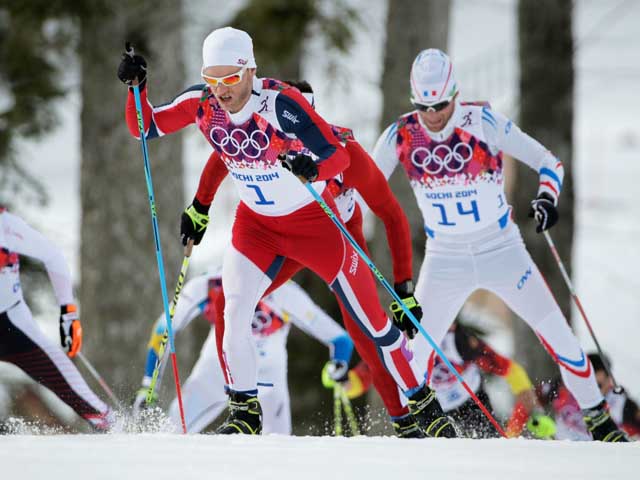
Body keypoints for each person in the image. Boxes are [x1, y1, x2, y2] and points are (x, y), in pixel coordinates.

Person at [118, 27, 453, 436]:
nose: (220, 90)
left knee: (374, 326)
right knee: (232, 309)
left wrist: (314, 168)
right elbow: (149, 129)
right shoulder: (205, 105)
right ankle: (244, 412)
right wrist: (138, 88)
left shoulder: (282, 106)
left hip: (316, 225)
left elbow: (338, 154)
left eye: (230, 79)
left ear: (250, 71)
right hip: (256, 226)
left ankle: (422, 402)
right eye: (213, 79)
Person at [372, 48, 627, 442]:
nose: (433, 114)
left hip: (501, 250)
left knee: (559, 336)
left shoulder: (483, 121)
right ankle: (413, 434)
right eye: (423, 105)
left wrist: (546, 196)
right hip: (445, 259)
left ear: (454, 94)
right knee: (414, 355)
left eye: (440, 103)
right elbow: (363, 183)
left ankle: (600, 421)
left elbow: (549, 162)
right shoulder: (401, 134)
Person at [206, 80, 437, 438]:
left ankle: (407, 419)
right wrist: (199, 206)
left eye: (301, 129)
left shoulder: (346, 153)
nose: (293, 141)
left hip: (338, 238)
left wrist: (403, 286)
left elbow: (392, 214)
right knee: (227, 302)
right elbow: (223, 157)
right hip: (284, 239)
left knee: (364, 329)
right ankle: (241, 409)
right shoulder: (269, 138)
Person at [133, 269, 353, 434]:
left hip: (267, 383)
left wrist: (338, 365)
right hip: (215, 373)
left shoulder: (284, 292)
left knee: (279, 456)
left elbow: (339, 339)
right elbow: (163, 329)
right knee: (169, 433)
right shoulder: (209, 285)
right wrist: (148, 386)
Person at [0, 206, 114, 431]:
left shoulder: (7, 226)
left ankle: (119, 431)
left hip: (13, 327)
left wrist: (68, 313)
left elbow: (52, 256)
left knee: (87, 403)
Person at [537, 353, 640, 441]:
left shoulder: (621, 403)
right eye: (585, 386)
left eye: (598, 385)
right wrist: (534, 414)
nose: (591, 392)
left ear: (609, 381)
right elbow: (529, 398)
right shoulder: (563, 387)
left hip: (598, 458)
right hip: (562, 453)